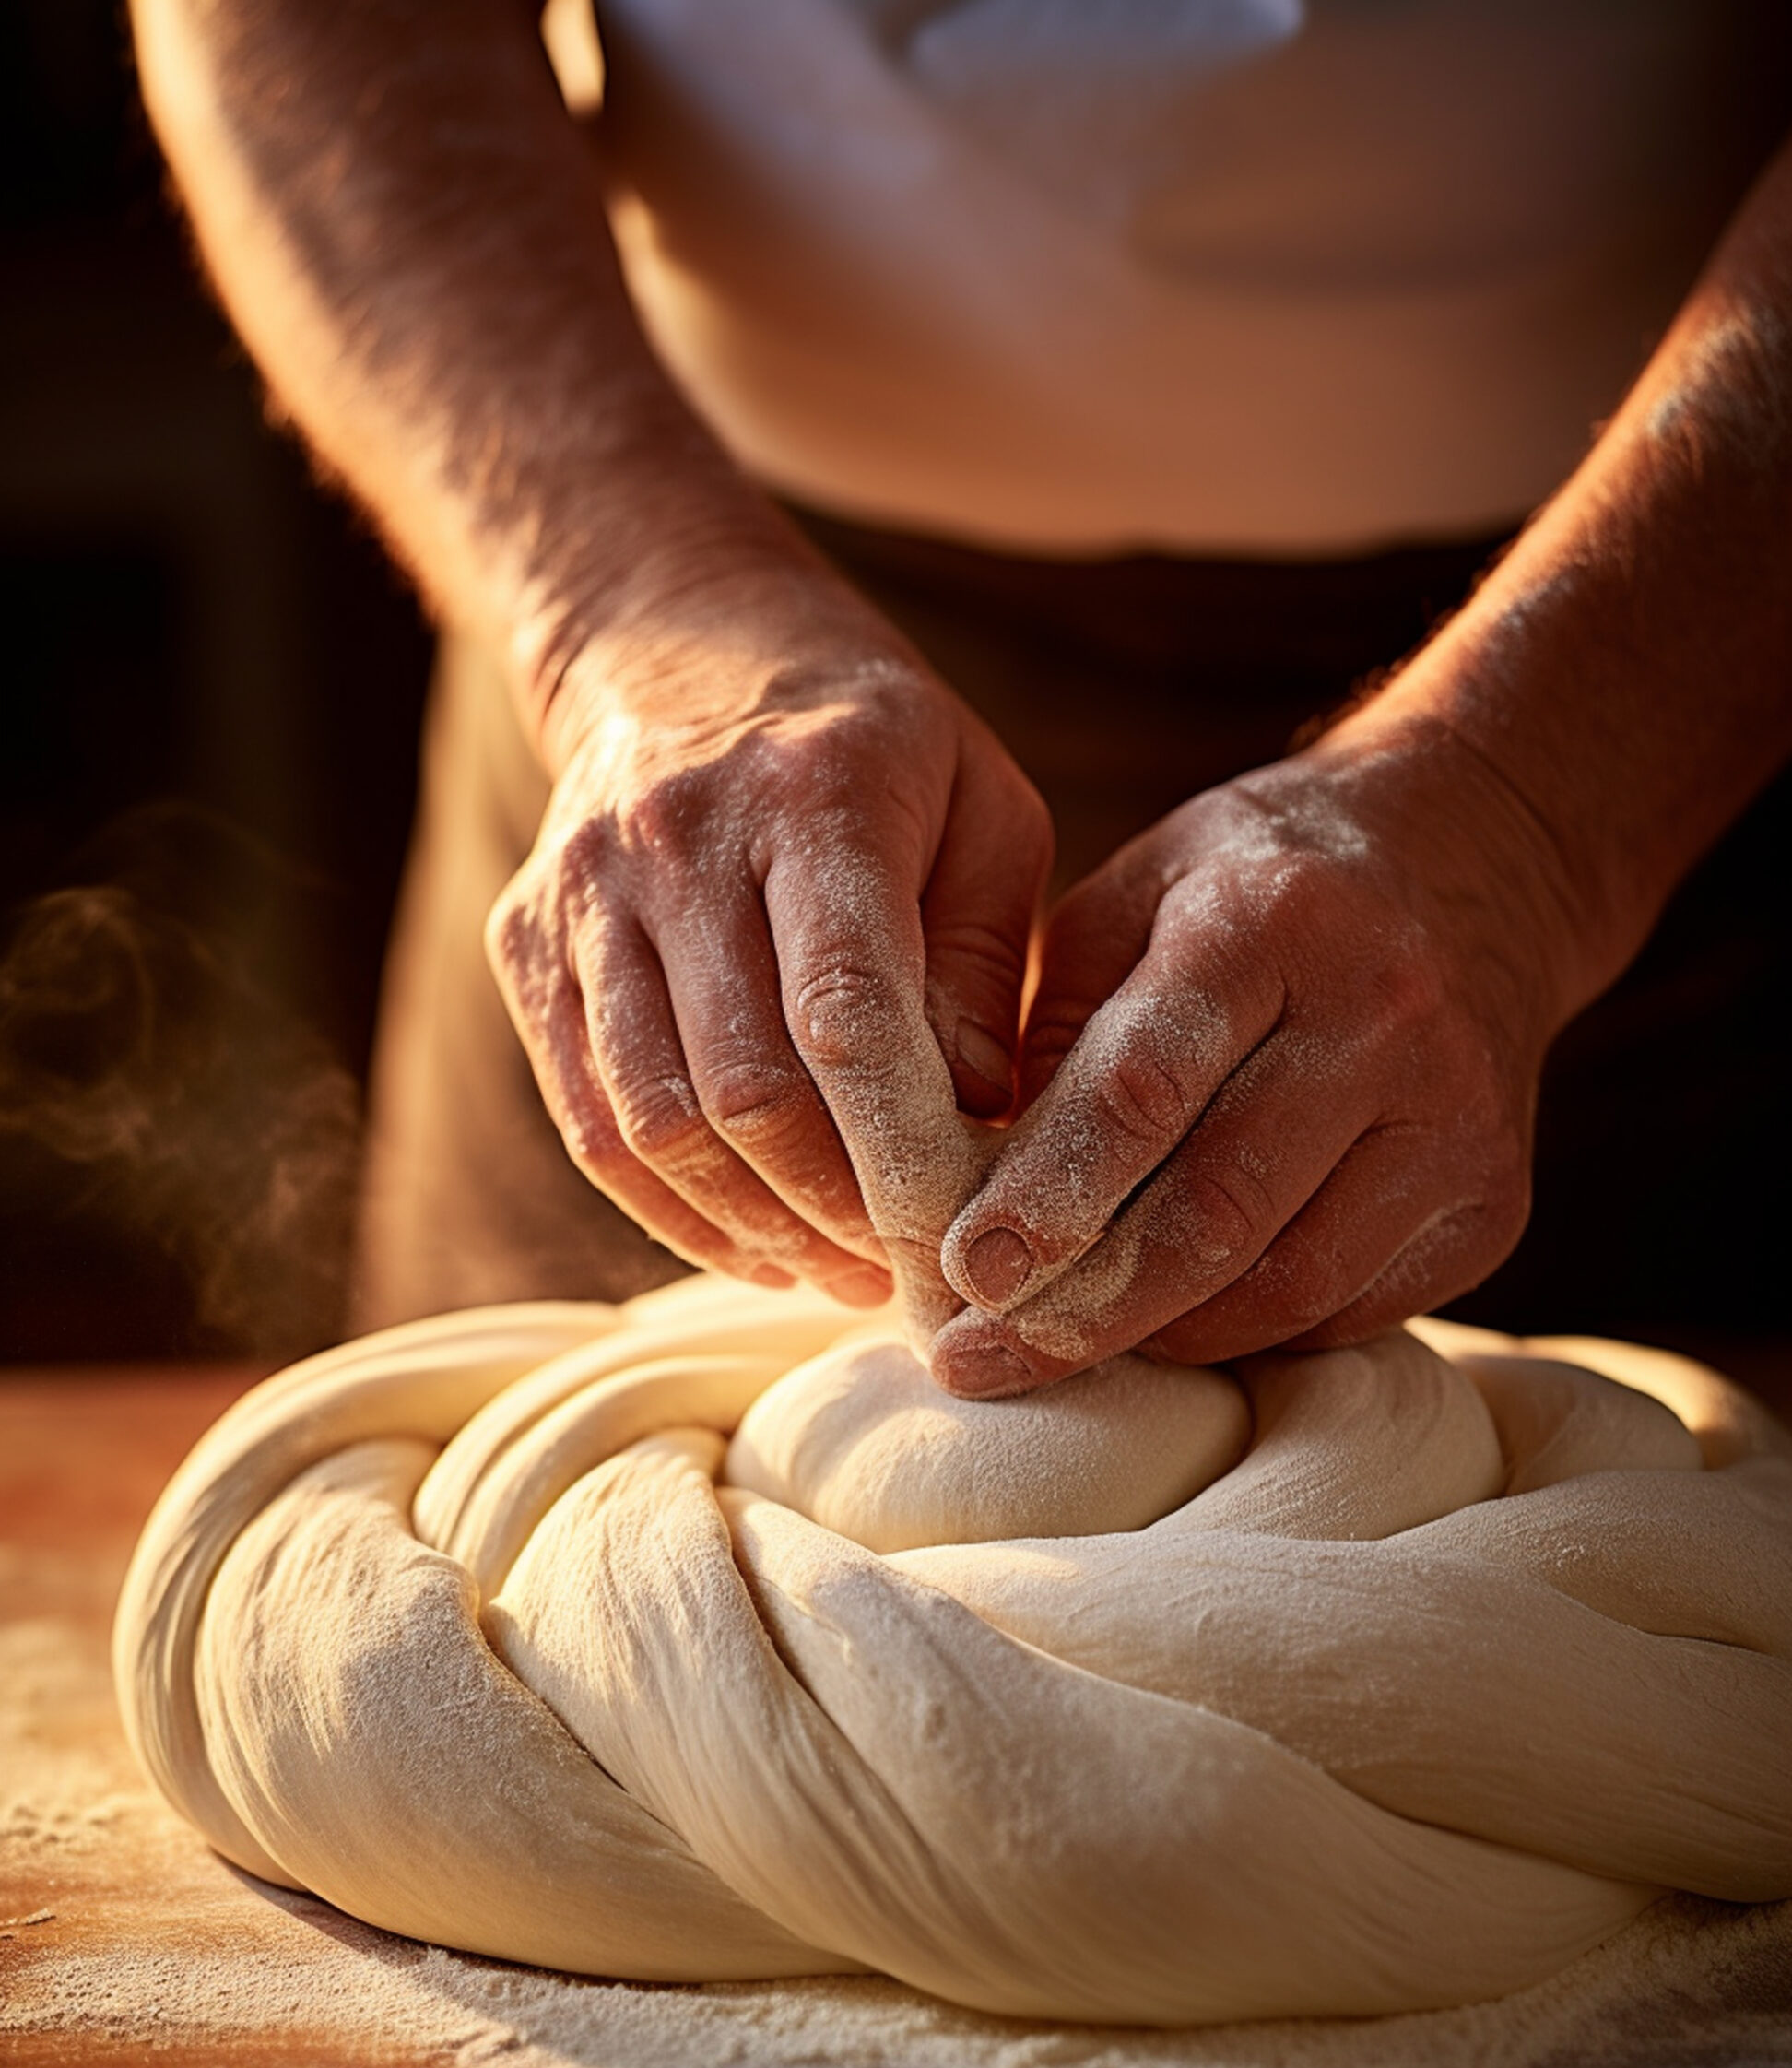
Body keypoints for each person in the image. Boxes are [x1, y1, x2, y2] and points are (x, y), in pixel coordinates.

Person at [131, 0, 1792, 1392]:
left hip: (1671, 635)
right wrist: (621, 610)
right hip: (672, 632)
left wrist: (1531, 819)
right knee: (515, 1664)